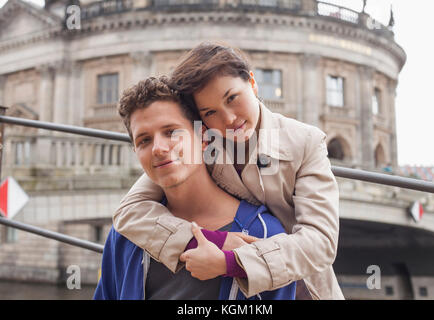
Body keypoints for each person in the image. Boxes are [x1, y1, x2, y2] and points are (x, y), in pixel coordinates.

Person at [113, 41, 344, 300]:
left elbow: (321, 243)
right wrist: (212, 240)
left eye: (232, 98)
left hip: (303, 284)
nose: (229, 119)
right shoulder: (199, 140)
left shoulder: (306, 141)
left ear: (252, 83)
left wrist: (230, 261)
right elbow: (130, 210)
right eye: (210, 112)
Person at [93, 76, 296, 300]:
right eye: (144, 140)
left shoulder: (265, 235)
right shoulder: (126, 233)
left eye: (171, 132)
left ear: (204, 138)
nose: (158, 149)